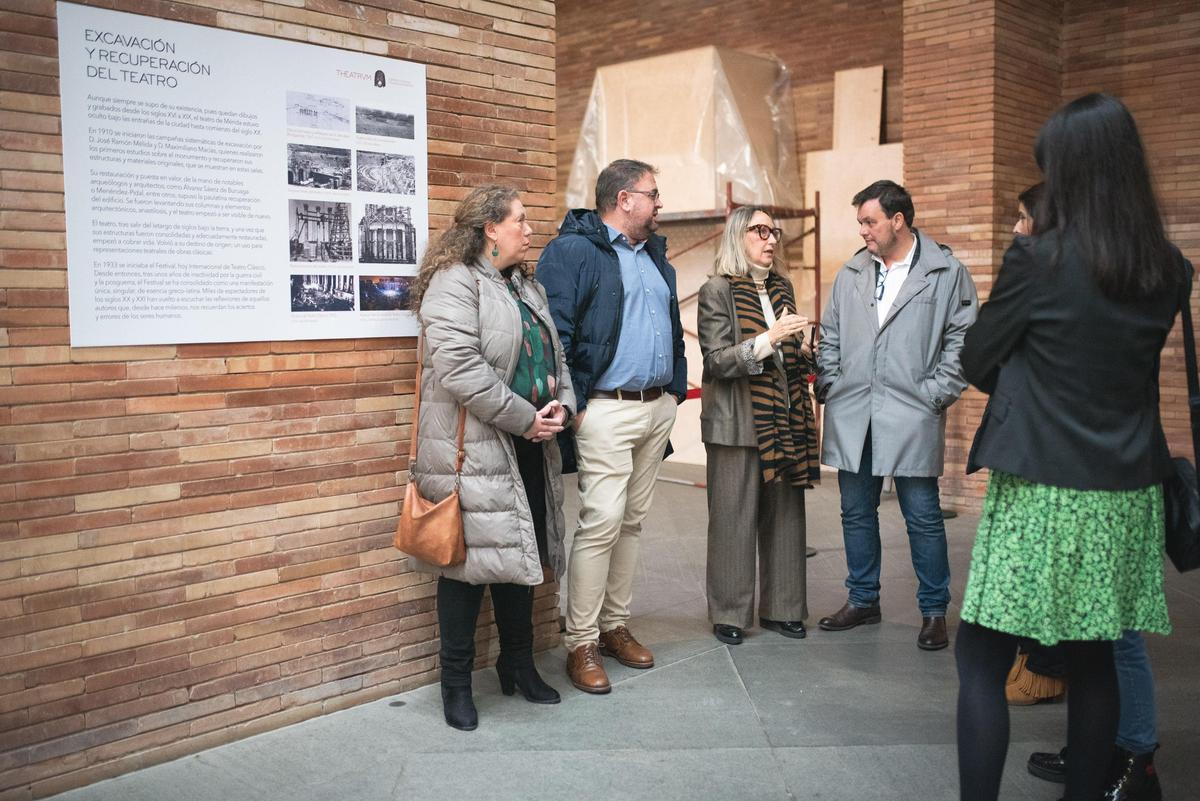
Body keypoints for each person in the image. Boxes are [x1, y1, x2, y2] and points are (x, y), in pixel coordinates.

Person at [954, 93, 1187, 801]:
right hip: (1126, 489)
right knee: (1094, 660)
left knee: (981, 656)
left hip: (1043, 488)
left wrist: (1025, 372)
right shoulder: (1169, 268)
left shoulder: (1039, 257)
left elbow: (977, 356)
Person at [409, 184, 576, 731]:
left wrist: (562, 410)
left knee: (517, 559)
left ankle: (518, 664)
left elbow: (557, 358)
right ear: (490, 228)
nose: (530, 230)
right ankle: (455, 685)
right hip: (471, 452)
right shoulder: (453, 283)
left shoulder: (526, 287)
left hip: (529, 445)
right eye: (521, 220)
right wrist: (526, 418)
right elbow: (458, 367)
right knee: (463, 571)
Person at [537, 159, 687, 694]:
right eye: (653, 193)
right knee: (601, 521)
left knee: (632, 522)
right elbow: (556, 331)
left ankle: (614, 625)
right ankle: (580, 641)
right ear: (624, 199)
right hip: (603, 409)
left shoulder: (655, 256)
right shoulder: (574, 251)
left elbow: (671, 326)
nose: (659, 203)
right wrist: (573, 403)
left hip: (655, 406)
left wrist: (674, 389)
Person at [814, 179, 978, 651]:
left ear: (898, 220)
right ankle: (863, 599)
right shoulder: (852, 272)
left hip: (912, 409)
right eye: (860, 222)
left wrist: (935, 393)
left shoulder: (945, 272)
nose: (863, 230)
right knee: (855, 512)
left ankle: (933, 611)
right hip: (853, 409)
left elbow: (962, 341)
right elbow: (832, 333)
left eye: (870, 221)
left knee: (922, 515)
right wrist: (830, 380)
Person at [697, 206, 818, 645]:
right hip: (735, 425)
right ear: (737, 237)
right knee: (732, 519)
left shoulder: (782, 287)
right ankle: (729, 611)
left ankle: (782, 608)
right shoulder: (717, 290)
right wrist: (771, 339)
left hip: (783, 420)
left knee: (786, 516)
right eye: (759, 231)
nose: (770, 240)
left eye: (774, 232)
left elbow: (790, 358)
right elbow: (716, 361)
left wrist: (804, 348)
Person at [1001, 182, 1071, 707]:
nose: (1015, 229)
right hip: (1060, 447)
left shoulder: (1048, 282)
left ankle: (1044, 665)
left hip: (1054, 450)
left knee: (1049, 570)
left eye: (1023, 219)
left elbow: (980, 354)